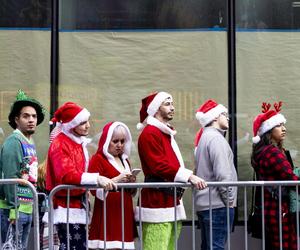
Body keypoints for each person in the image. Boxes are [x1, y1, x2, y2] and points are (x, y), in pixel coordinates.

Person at [135, 91, 207, 250]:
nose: (172, 108)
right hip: (157, 202)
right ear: (155, 109)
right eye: (167, 104)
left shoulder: (163, 133)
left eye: (172, 104)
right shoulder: (150, 133)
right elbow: (158, 165)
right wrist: (189, 176)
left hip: (169, 200)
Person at [45, 102, 116, 250]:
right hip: (66, 206)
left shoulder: (76, 142)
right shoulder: (60, 143)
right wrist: (96, 178)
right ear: (71, 124)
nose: (88, 126)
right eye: (82, 123)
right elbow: (65, 174)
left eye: (87, 121)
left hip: (77, 204)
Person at [0, 89, 45, 249]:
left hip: (26, 208)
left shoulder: (29, 142)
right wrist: (13, 209)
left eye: (34, 116)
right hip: (13, 210)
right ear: (16, 119)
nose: (31, 120)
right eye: (26, 116)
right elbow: (10, 176)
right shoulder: (14, 141)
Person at [251, 102, 299, 250]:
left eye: (283, 125)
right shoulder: (272, 152)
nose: (284, 129)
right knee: (285, 245)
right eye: (278, 126)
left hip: (272, 206)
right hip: (279, 208)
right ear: (268, 130)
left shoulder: (263, 151)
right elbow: (291, 178)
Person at [194, 99, 238, 250]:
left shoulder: (204, 138)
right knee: (216, 247)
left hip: (206, 205)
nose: (228, 117)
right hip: (218, 205)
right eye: (224, 114)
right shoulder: (216, 139)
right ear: (214, 117)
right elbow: (223, 174)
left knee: (208, 246)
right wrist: (230, 201)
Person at [88, 121, 138, 249]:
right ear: (106, 140)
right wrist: (116, 179)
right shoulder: (98, 159)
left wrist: (132, 183)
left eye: (122, 141)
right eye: (115, 141)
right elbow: (93, 189)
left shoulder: (125, 160)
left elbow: (131, 193)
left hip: (125, 211)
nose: (119, 145)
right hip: (108, 212)